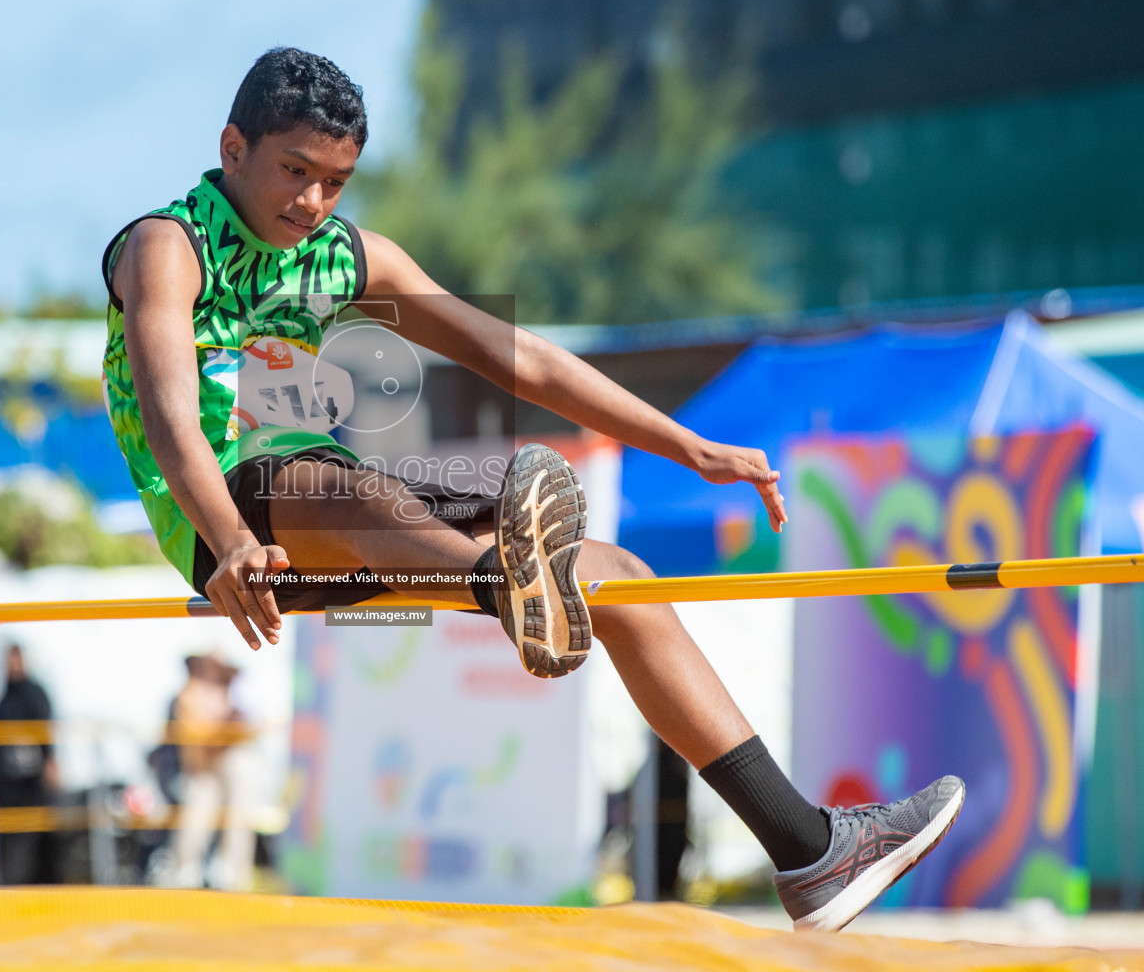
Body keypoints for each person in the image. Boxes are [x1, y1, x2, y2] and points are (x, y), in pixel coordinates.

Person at [101, 47, 964, 931]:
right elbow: (172, 414)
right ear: (233, 147)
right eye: (295, 172)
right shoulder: (167, 246)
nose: (313, 203)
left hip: (344, 506)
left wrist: (685, 444)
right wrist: (232, 542)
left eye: (336, 181)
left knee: (619, 576)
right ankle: (505, 585)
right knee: (336, 484)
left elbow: (522, 357)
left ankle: (809, 850)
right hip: (225, 523)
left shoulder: (347, 255)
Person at [162, 653, 257, 890]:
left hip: (216, 767)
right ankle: (187, 872)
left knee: (237, 807)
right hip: (201, 770)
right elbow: (198, 743)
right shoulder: (188, 697)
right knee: (197, 812)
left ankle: (231, 874)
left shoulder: (216, 697)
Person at [0, 644, 59, 885]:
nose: (12, 665)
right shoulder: (3, 696)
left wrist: (50, 761)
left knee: (35, 834)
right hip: (7, 780)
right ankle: (11, 882)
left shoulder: (35, 693)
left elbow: (46, 730)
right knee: (8, 835)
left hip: (31, 781)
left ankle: (37, 883)